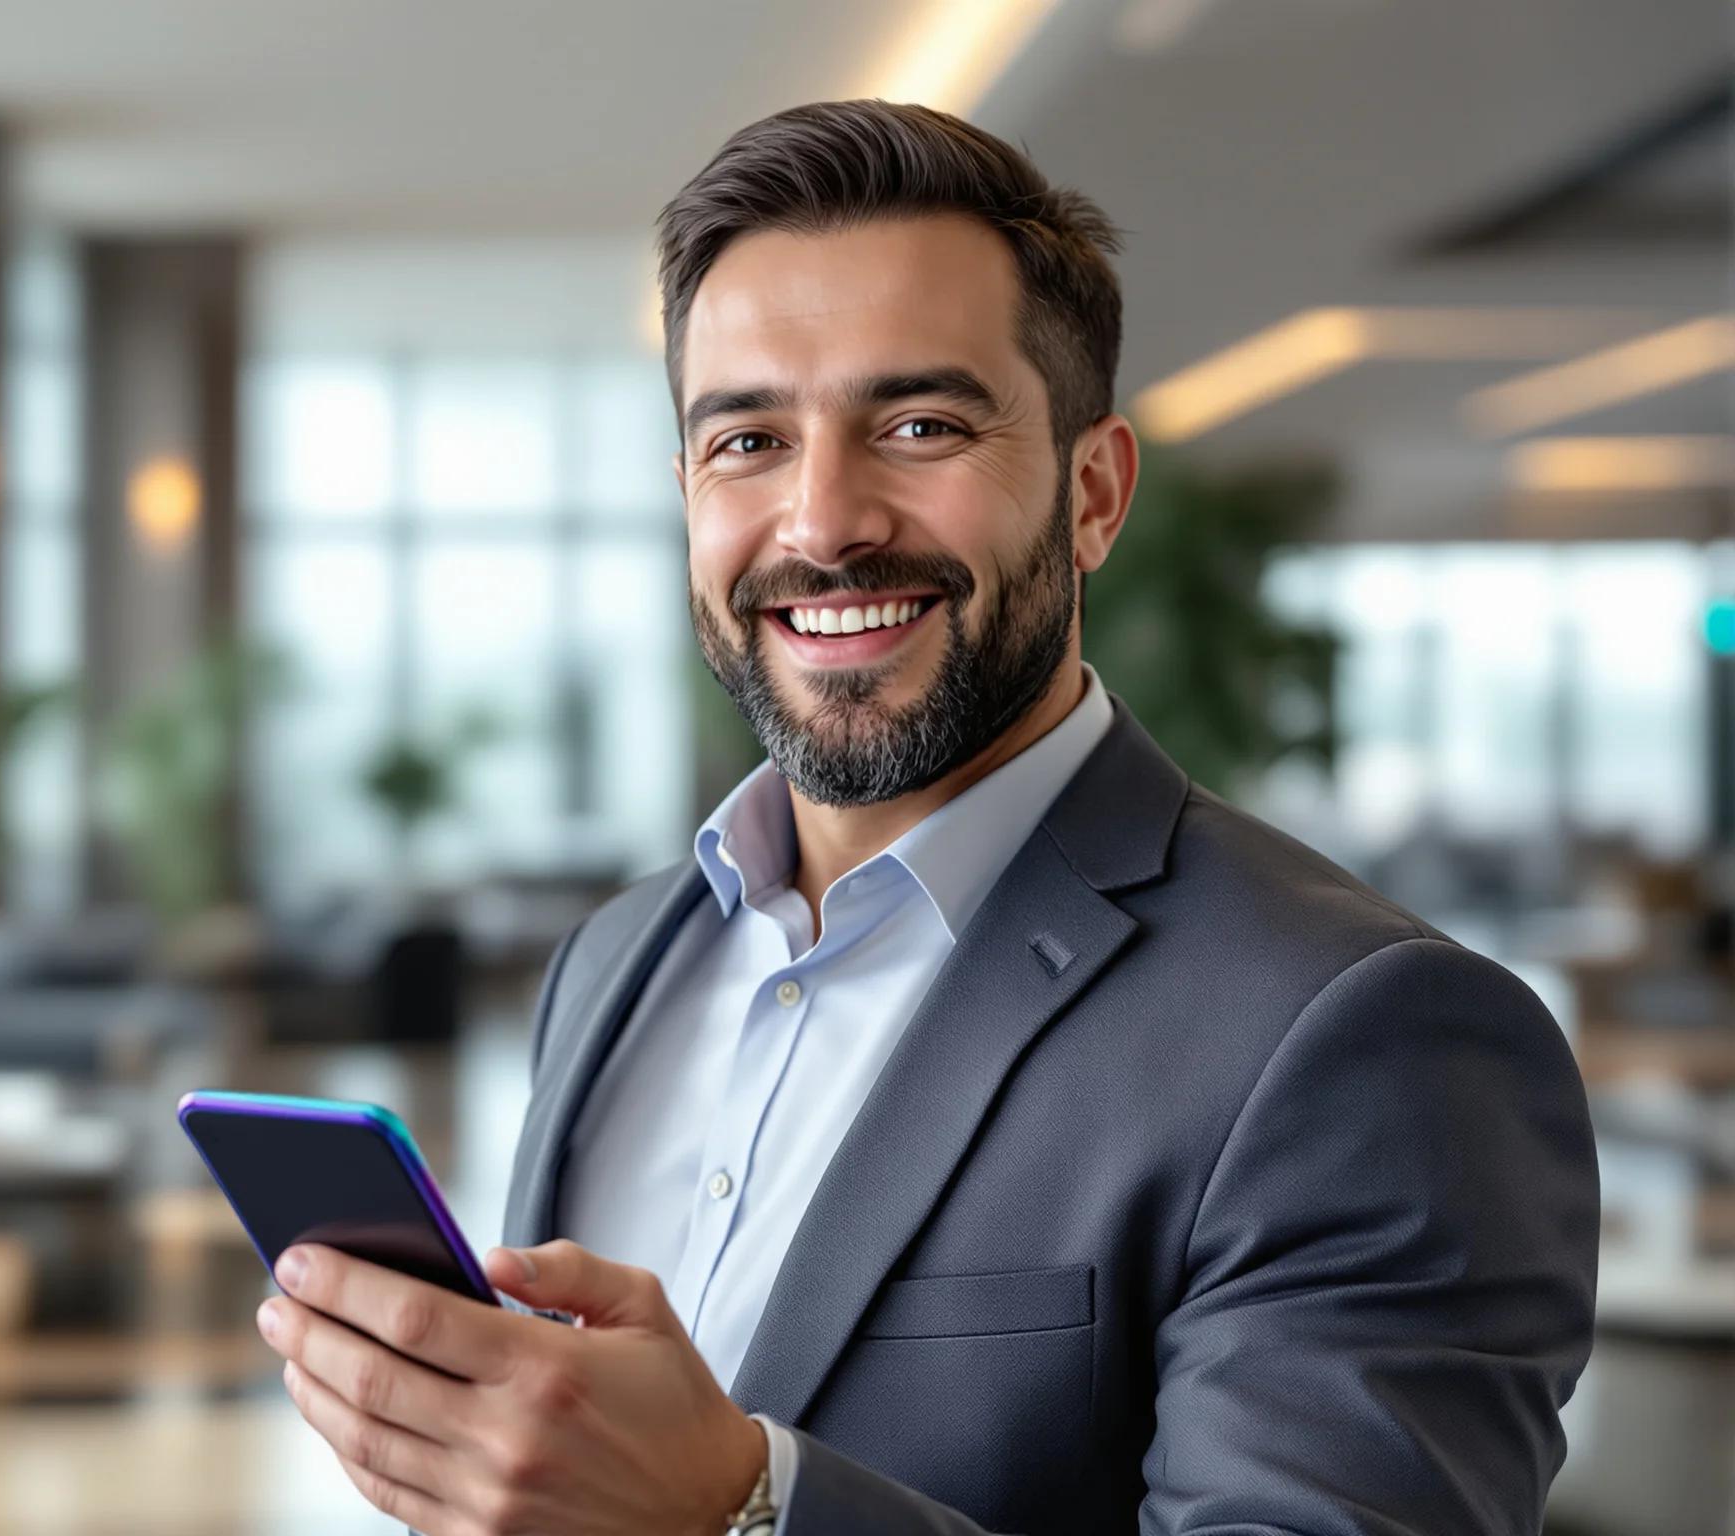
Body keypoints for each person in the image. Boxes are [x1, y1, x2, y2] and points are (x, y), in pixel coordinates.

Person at [250, 99, 1597, 1535]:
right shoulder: (615, 961)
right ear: (687, 492)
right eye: (748, 440)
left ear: (1093, 493)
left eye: (920, 426)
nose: (823, 521)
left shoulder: (1364, 1034)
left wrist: (743, 1507)